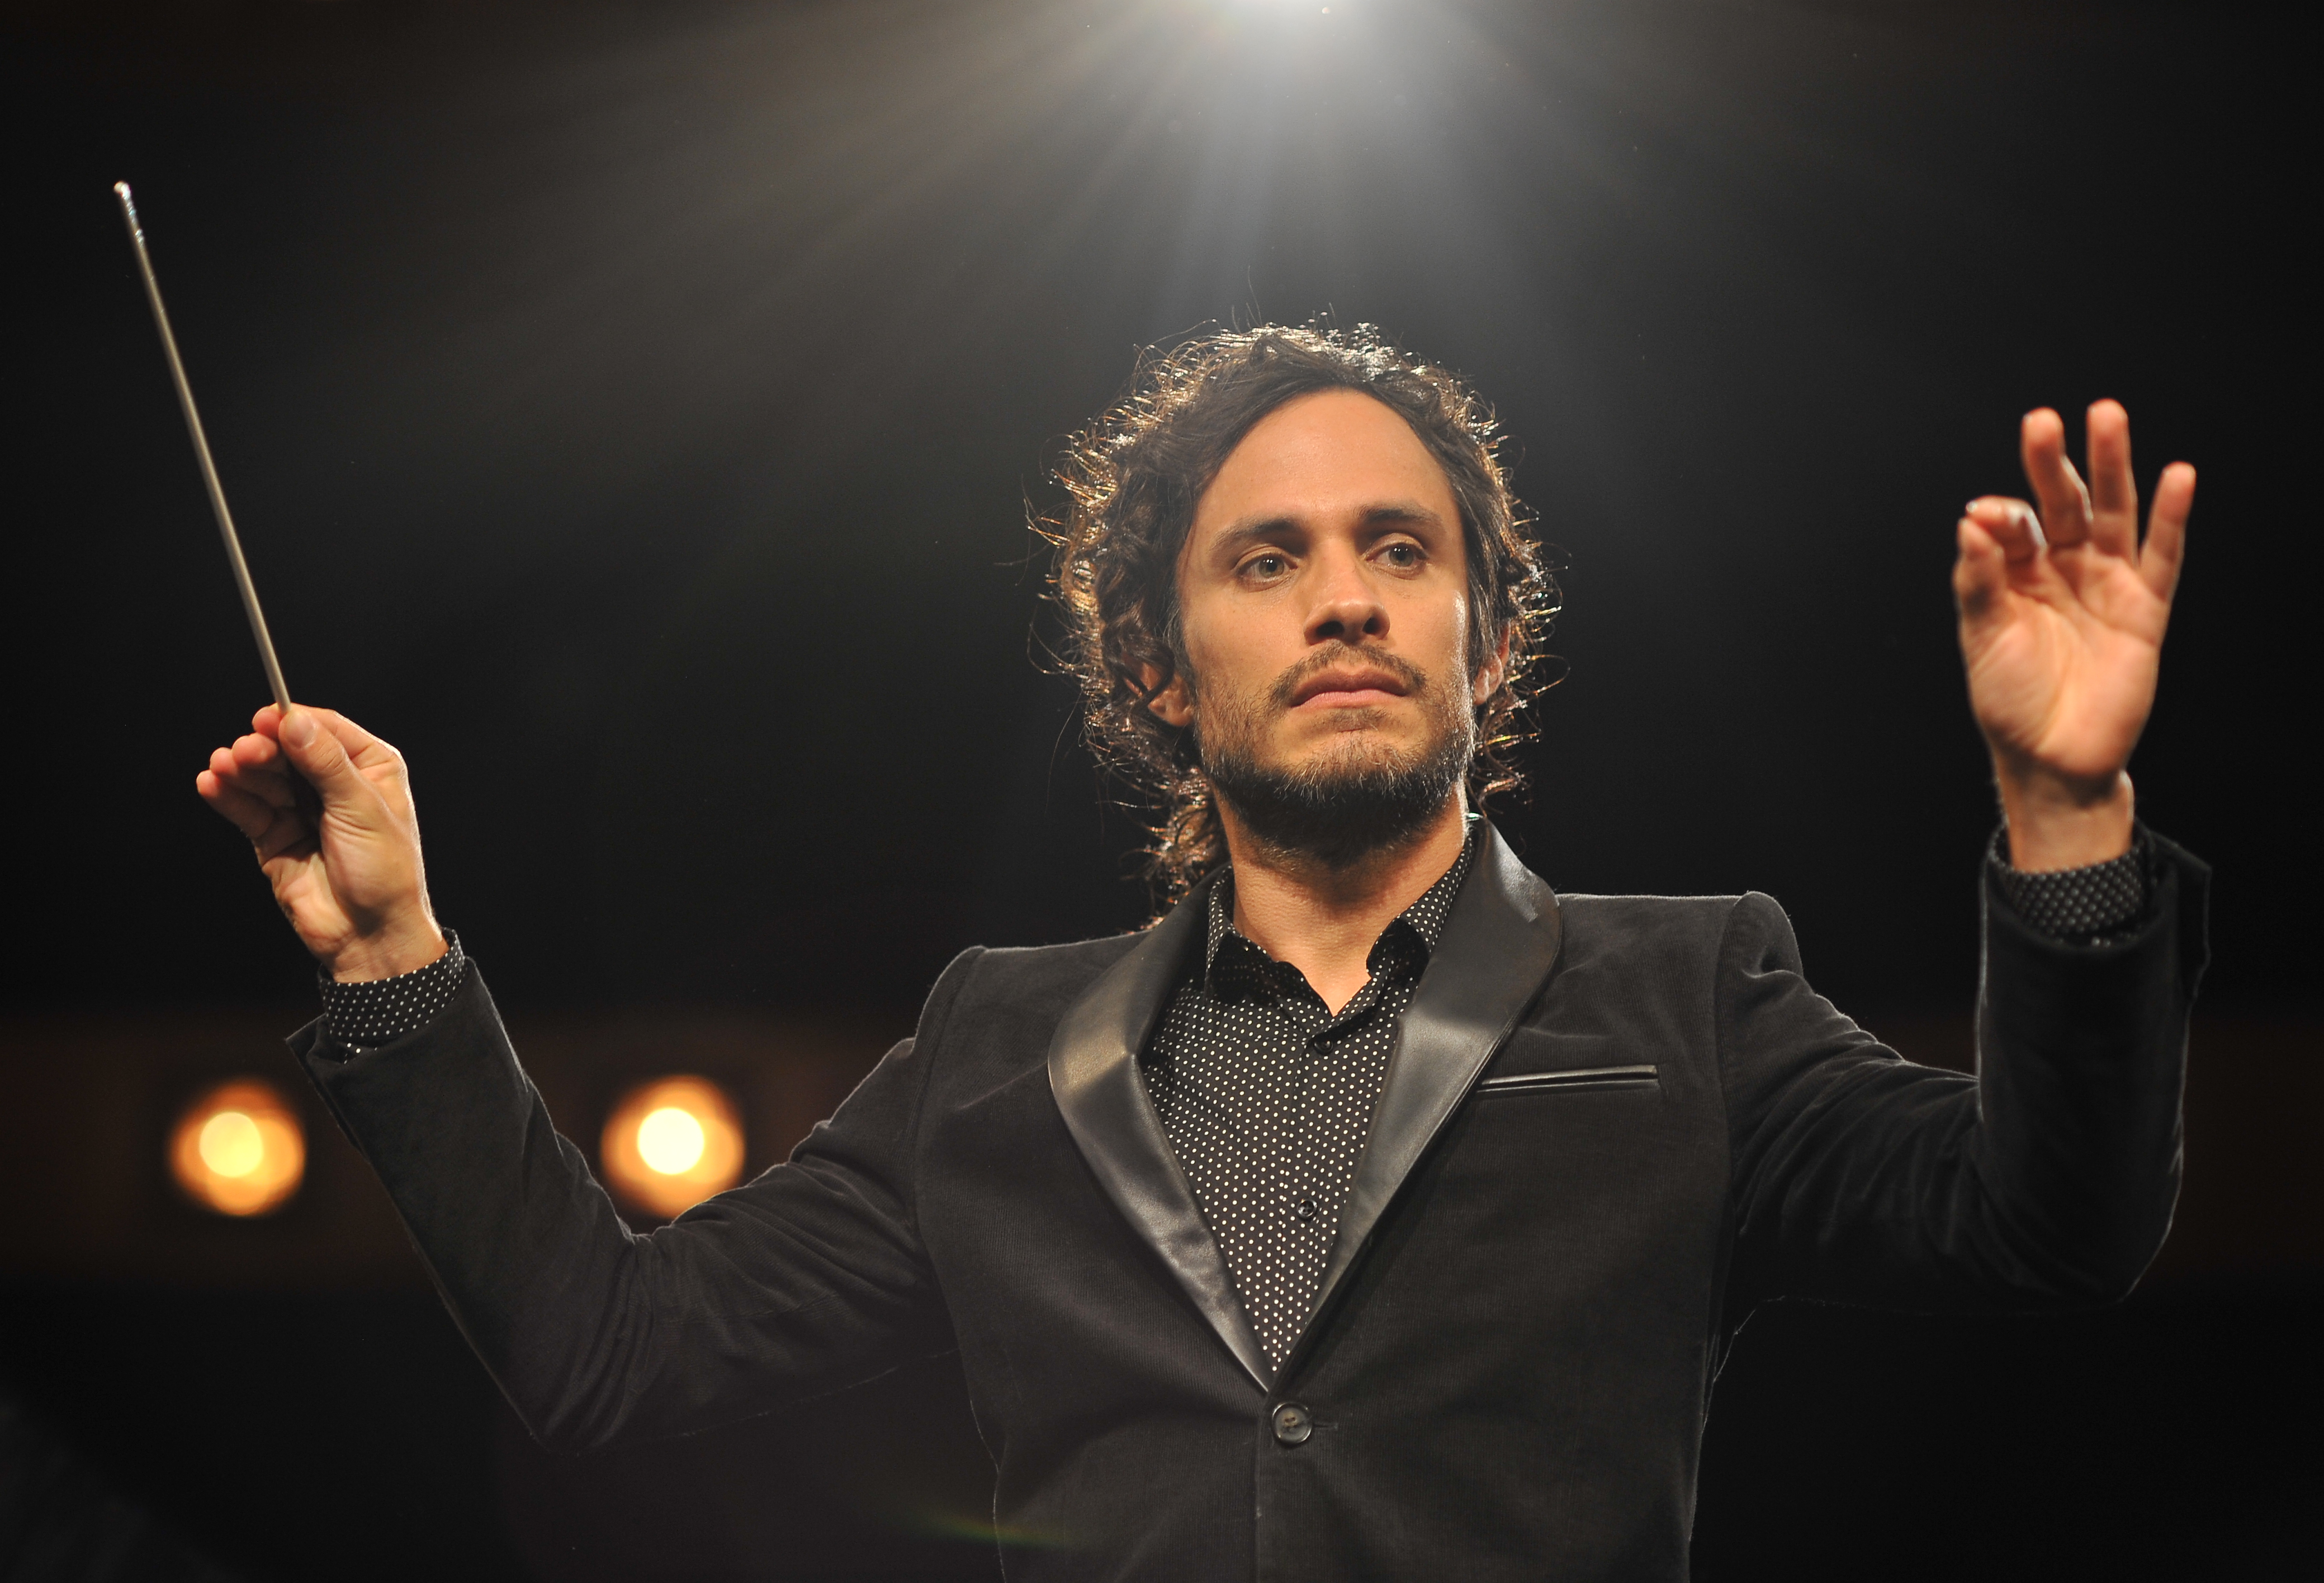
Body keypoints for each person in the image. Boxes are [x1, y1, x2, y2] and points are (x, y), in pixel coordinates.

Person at [196, 326, 2206, 1581]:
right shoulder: (998, 1045)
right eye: (1270, 559)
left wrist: (2065, 816)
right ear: (1160, 668)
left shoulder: (1691, 995)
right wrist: (396, 956)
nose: (1346, 600)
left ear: (1487, 641)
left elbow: (2053, 1230)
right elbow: (611, 1353)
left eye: (1401, 549)